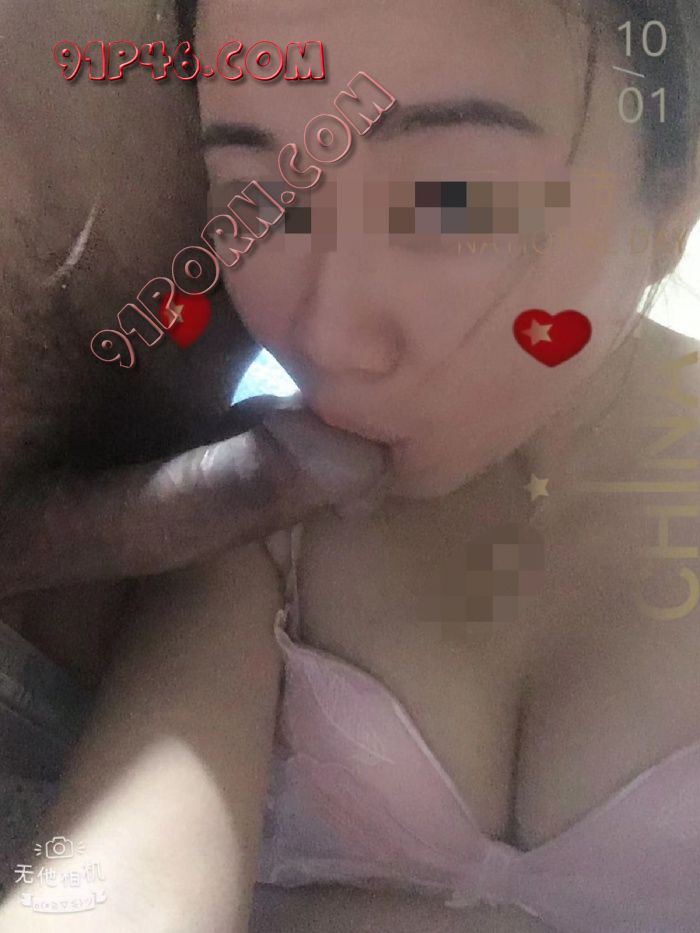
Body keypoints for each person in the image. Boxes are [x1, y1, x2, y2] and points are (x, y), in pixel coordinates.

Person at [2, 0, 699, 930]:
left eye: (453, 199)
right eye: (263, 202)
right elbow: (120, 873)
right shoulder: (262, 510)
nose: (326, 333)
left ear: (672, 201)